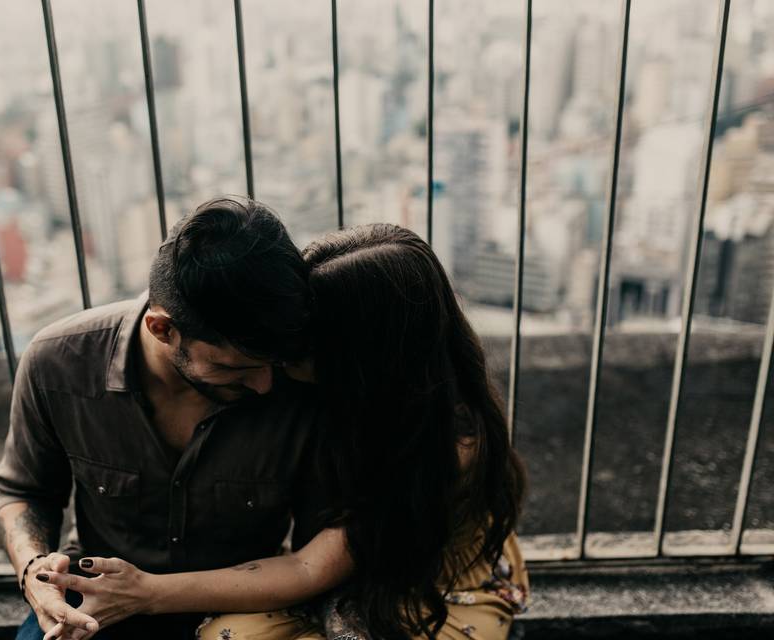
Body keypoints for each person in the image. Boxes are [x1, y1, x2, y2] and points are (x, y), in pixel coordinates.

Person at [39, 223, 528, 640]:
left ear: (361, 355)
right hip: (343, 578)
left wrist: (144, 594)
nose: (277, 362)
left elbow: (313, 567)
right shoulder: (340, 394)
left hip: (430, 586)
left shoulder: (445, 439)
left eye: (303, 342)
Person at [0, 196, 335, 640]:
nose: (265, 385)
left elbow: (316, 554)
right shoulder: (58, 363)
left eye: (273, 363)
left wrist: (152, 593)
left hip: (245, 608)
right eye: (234, 368)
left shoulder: (298, 382)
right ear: (162, 328)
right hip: (98, 603)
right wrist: (37, 574)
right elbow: (22, 492)